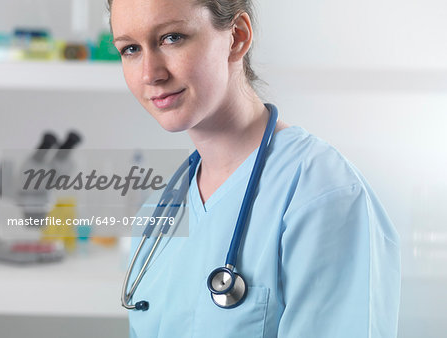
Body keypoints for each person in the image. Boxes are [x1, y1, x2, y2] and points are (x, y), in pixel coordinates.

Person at [108, 0, 401, 337]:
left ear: (237, 36)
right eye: (130, 49)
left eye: (172, 38)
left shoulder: (322, 194)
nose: (150, 73)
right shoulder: (158, 212)